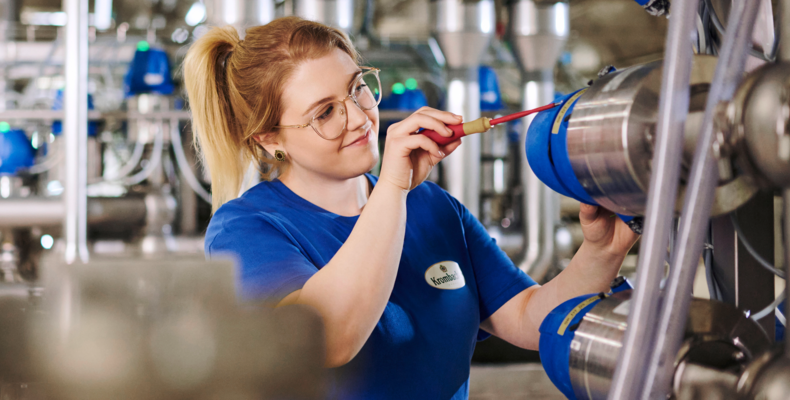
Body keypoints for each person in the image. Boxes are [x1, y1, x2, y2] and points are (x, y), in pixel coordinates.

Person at [184, 17, 639, 399]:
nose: (360, 118)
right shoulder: (246, 230)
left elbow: (527, 318)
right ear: (270, 139)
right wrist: (394, 189)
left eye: (358, 88)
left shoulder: (432, 207)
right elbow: (329, 338)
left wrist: (600, 251)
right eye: (324, 113)